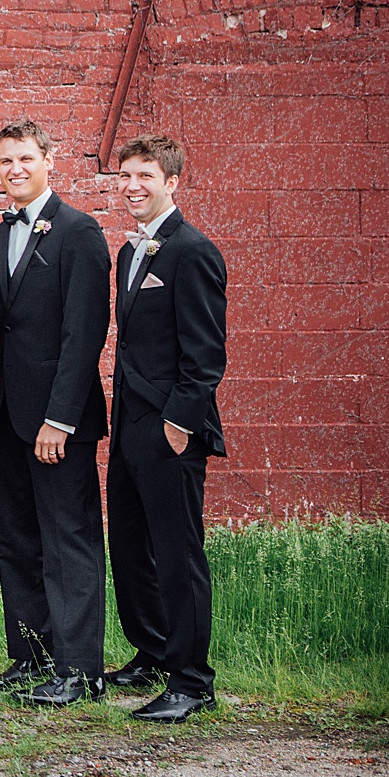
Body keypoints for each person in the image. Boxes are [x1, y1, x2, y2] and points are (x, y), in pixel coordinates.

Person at [0, 119, 113, 705]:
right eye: (5, 161)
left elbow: (85, 333)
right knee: (18, 541)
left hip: (59, 422)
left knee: (69, 541)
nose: (15, 169)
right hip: (8, 420)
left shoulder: (79, 232)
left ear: (49, 161)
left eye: (25, 158)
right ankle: (30, 657)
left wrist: (60, 418)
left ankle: (80, 670)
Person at [106, 133, 228, 722]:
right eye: (125, 175)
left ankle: (191, 680)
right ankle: (153, 650)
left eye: (144, 175)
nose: (132, 186)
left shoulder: (193, 250)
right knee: (130, 547)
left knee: (177, 553)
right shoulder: (131, 253)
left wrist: (177, 427)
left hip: (170, 430)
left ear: (172, 182)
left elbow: (205, 357)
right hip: (129, 424)